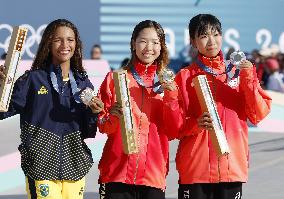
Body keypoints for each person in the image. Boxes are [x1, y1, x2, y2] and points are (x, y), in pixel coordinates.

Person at [162, 14, 272, 199]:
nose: (211, 41)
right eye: (204, 35)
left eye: (216, 34)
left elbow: (258, 114)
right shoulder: (184, 77)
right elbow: (173, 128)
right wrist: (195, 124)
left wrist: (248, 79)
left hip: (231, 168)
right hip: (195, 170)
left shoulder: (238, 72)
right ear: (193, 42)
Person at [0, 19, 104, 199]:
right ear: (48, 43)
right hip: (41, 168)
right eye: (58, 40)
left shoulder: (82, 83)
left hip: (74, 169)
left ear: (76, 44)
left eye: (70, 40)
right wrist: (2, 88)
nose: (65, 45)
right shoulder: (32, 80)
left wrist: (93, 113)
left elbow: (87, 132)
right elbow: (3, 110)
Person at [97, 20, 170, 199]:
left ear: (161, 46)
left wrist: (172, 97)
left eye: (155, 42)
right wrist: (113, 117)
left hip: (152, 174)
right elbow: (102, 125)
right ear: (133, 43)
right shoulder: (115, 79)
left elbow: (175, 128)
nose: (149, 47)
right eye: (143, 41)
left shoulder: (167, 84)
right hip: (117, 174)